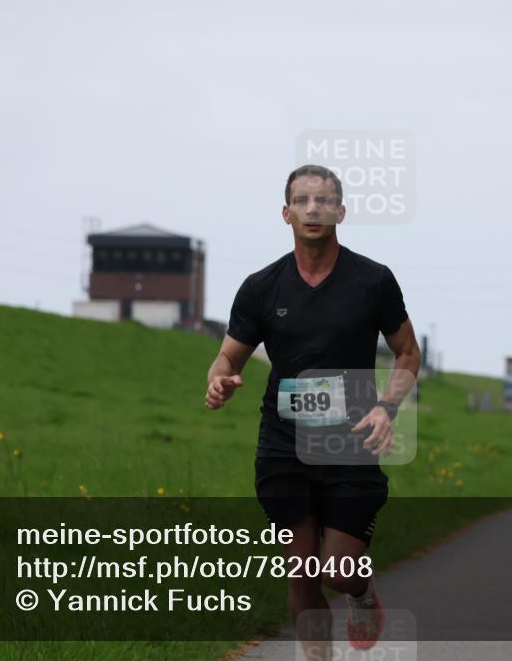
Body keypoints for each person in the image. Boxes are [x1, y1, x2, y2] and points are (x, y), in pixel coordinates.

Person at [205, 164, 420, 657]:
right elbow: (228, 356)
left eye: (324, 201)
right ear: (286, 213)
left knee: (338, 570)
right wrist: (220, 381)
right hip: (283, 442)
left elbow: (408, 352)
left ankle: (362, 594)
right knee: (301, 572)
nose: (313, 209)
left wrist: (388, 407)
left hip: (352, 441)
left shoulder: (373, 281)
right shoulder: (261, 287)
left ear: (341, 212)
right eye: (302, 200)